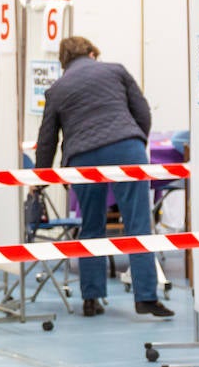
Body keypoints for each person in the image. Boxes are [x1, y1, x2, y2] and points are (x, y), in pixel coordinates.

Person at [33, 36, 171, 318]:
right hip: (126, 149)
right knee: (138, 224)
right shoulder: (116, 70)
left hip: (83, 157)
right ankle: (145, 297)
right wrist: (134, 141)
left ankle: (91, 298)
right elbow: (142, 112)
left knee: (92, 227)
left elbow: (46, 139)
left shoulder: (57, 89)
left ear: (63, 63)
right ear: (93, 53)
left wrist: (41, 179)